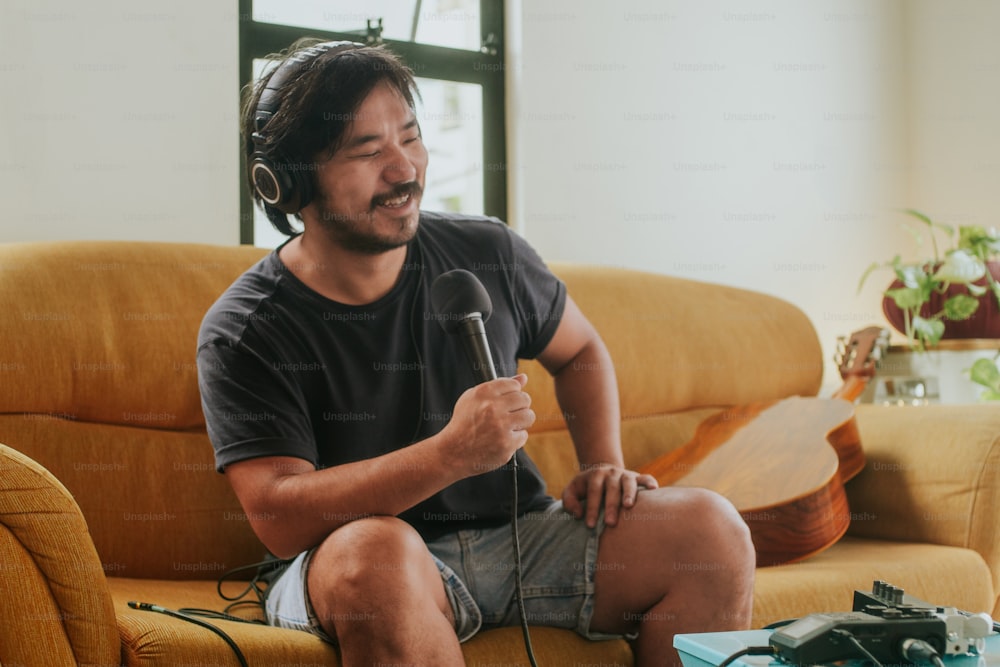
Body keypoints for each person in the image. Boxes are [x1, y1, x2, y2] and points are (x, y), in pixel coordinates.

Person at [197, 39, 755, 667]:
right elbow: (279, 515)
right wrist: (450, 454)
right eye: (367, 151)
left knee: (712, 530)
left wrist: (604, 462)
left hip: (518, 537)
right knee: (373, 558)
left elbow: (580, 351)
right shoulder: (246, 328)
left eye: (410, 138)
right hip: (359, 558)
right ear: (287, 182)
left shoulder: (488, 251)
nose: (403, 169)